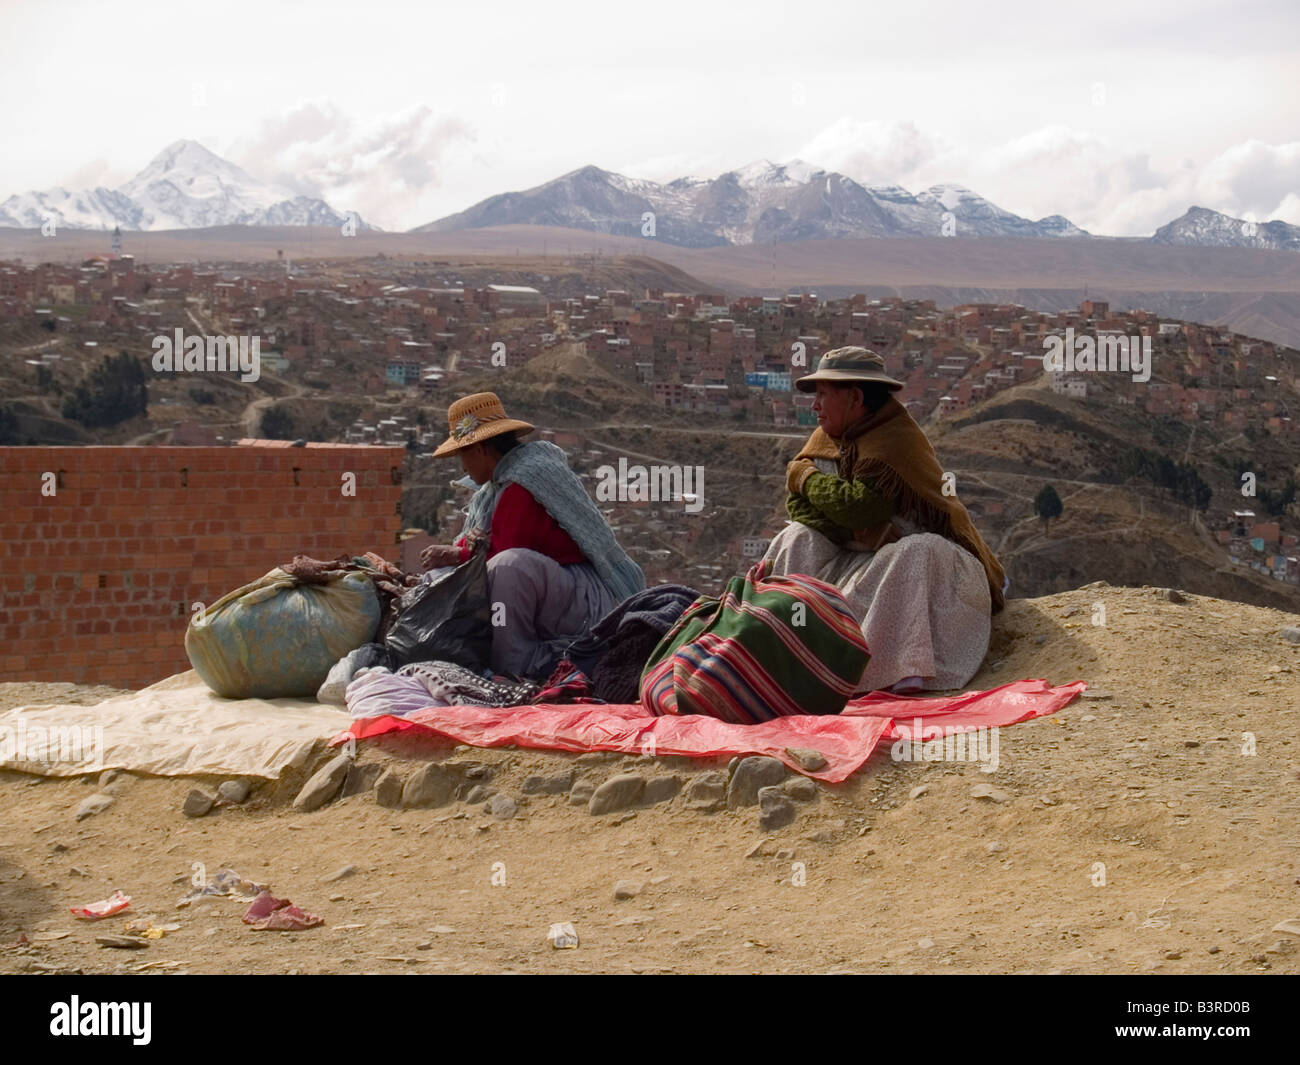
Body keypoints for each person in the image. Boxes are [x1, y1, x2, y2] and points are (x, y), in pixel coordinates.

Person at [766, 347, 1007, 694]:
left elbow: (858, 508)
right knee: (799, 536)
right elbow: (799, 509)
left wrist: (805, 479)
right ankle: (781, 644)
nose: (814, 406)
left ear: (855, 398)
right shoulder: (827, 439)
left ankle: (896, 668)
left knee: (916, 550)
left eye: (822, 395)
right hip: (859, 557)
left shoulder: (895, 443)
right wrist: (846, 523)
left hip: (932, 571)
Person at [421, 392, 644, 679]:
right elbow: (482, 542)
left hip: (584, 598)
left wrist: (461, 553)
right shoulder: (495, 489)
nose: (461, 467)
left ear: (480, 449)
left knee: (509, 566)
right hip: (551, 597)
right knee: (444, 576)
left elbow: (504, 551)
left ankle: (516, 664)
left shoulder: (524, 484)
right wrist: (459, 553)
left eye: (462, 455)